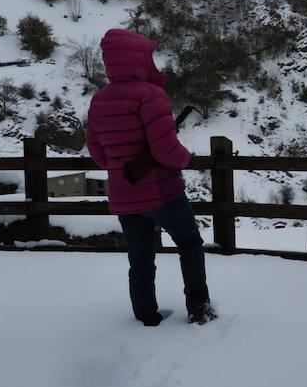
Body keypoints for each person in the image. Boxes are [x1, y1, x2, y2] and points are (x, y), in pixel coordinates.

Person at [85, 28, 217, 326]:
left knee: (140, 259)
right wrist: (186, 159)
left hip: (124, 195)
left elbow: (99, 154)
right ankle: (198, 307)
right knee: (189, 244)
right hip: (162, 191)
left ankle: (145, 316)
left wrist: (122, 165)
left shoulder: (99, 100)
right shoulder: (150, 95)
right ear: (138, 59)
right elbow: (167, 150)